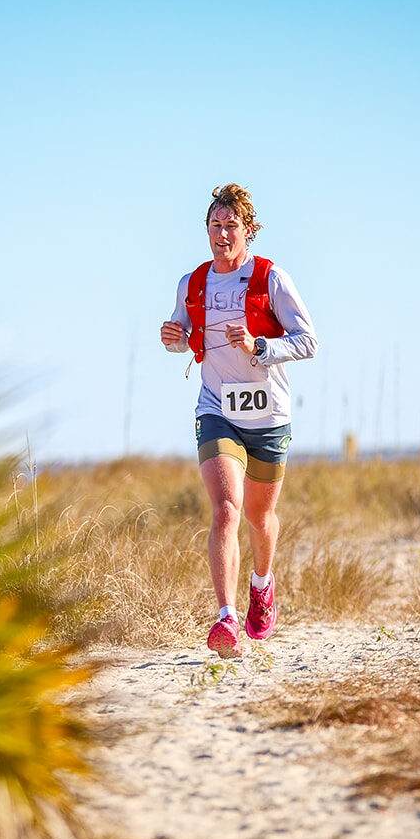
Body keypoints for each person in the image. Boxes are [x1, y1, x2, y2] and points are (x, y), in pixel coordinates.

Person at [160, 184, 319, 658]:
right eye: (215, 226)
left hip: (268, 413)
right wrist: (172, 337)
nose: (223, 234)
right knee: (226, 510)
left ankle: (262, 584)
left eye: (232, 226)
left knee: (258, 515)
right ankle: (226, 617)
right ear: (206, 231)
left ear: (248, 230)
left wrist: (260, 347)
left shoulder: (271, 278)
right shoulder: (193, 282)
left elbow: (308, 341)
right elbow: (180, 336)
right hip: (216, 409)